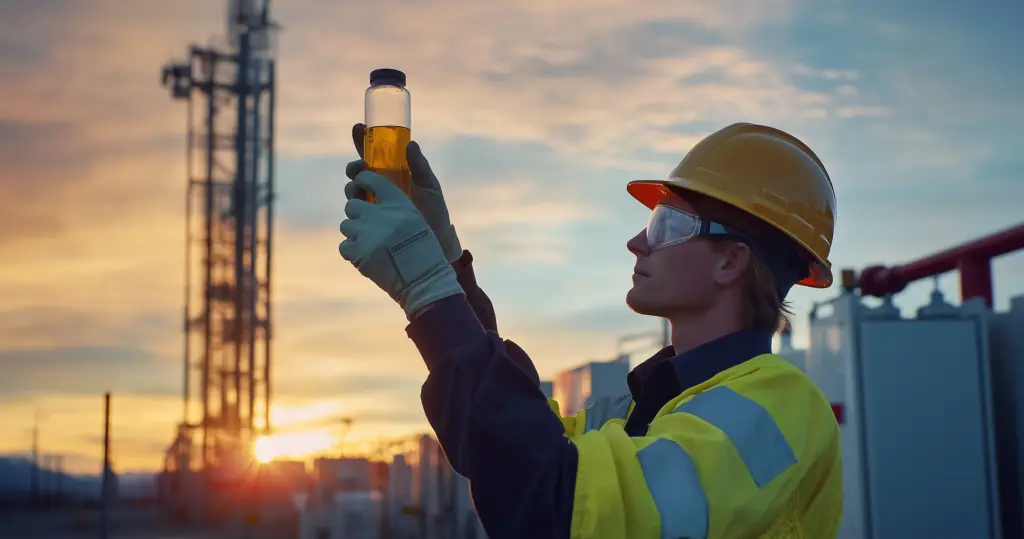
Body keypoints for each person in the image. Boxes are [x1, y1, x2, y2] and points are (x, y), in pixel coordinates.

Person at [338, 122, 843, 539]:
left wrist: (428, 288)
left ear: (731, 262)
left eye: (667, 224)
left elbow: (560, 507)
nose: (637, 242)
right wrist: (445, 260)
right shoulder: (638, 410)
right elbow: (517, 452)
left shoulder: (779, 410)